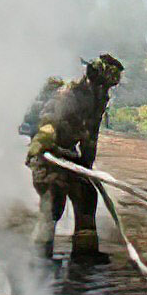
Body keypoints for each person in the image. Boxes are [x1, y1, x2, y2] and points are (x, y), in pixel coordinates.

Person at [25, 55, 124, 260]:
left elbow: (90, 134)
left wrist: (87, 165)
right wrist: (40, 146)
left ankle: (84, 253)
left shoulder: (99, 98)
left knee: (87, 195)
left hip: (70, 156)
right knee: (53, 202)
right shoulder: (68, 93)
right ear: (95, 78)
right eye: (105, 84)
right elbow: (49, 121)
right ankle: (39, 257)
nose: (107, 89)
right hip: (49, 156)